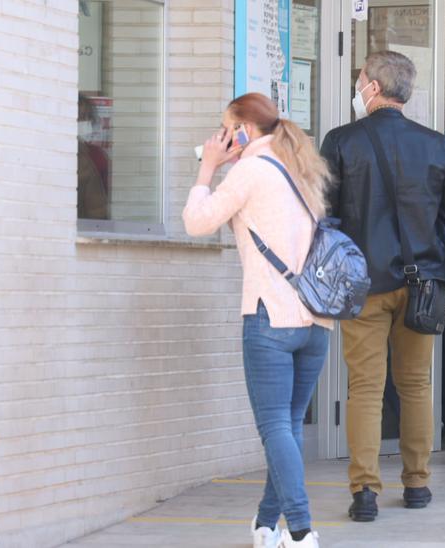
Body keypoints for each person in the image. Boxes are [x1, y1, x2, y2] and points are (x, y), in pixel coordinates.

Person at [321, 51, 445, 520]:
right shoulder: (435, 144)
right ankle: (417, 484)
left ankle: (364, 491)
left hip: (363, 282)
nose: (358, 85)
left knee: (365, 388)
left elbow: (325, 215)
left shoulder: (342, 141)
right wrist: (429, 250)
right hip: (423, 284)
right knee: (416, 385)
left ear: (374, 87)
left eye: (361, 78)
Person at [183, 93, 334, 548]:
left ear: (244, 130)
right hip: (316, 321)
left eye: (227, 128)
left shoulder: (249, 171)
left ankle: (303, 531)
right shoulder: (299, 169)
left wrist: (209, 167)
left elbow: (197, 221)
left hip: (270, 317)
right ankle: (267, 524)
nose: (223, 137)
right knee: (286, 428)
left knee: (275, 427)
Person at [77, 93, 111, 220]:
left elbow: (101, 203)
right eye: (79, 118)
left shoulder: (97, 156)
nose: (83, 122)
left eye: (86, 118)